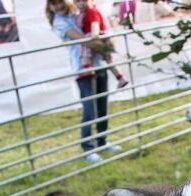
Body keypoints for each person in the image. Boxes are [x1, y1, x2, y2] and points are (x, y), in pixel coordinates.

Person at [46, 0, 123, 163]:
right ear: (50, 7)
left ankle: (102, 142)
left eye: (60, 2)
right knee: (90, 110)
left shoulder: (77, 11)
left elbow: (96, 23)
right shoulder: (59, 22)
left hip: (99, 63)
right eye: (54, 4)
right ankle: (88, 148)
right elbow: (83, 39)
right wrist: (106, 45)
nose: (58, 6)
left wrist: (105, 37)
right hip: (83, 68)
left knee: (102, 106)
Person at [77, 0, 129, 89]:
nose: (81, 3)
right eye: (77, 1)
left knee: (84, 48)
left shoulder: (91, 12)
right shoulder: (84, 13)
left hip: (97, 34)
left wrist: (94, 34)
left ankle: (88, 68)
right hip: (102, 35)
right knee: (108, 59)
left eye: (84, 0)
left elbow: (95, 24)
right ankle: (120, 77)